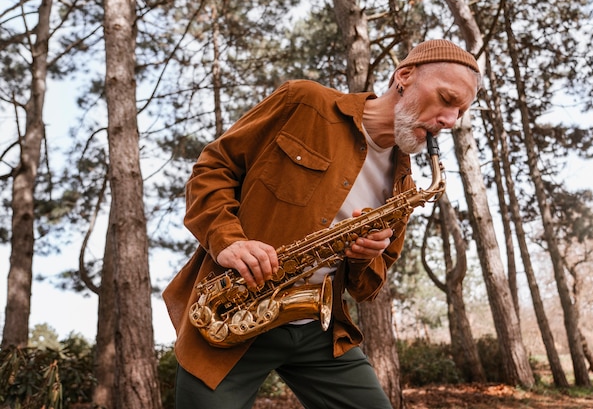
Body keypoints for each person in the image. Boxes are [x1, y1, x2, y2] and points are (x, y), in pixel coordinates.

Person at [163, 39, 480, 409]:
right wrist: (227, 239)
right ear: (404, 76)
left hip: (319, 328)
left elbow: (367, 287)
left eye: (460, 111)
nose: (450, 121)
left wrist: (364, 257)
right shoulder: (304, 102)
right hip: (232, 315)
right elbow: (212, 169)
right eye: (446, 98)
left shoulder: (403, 187)